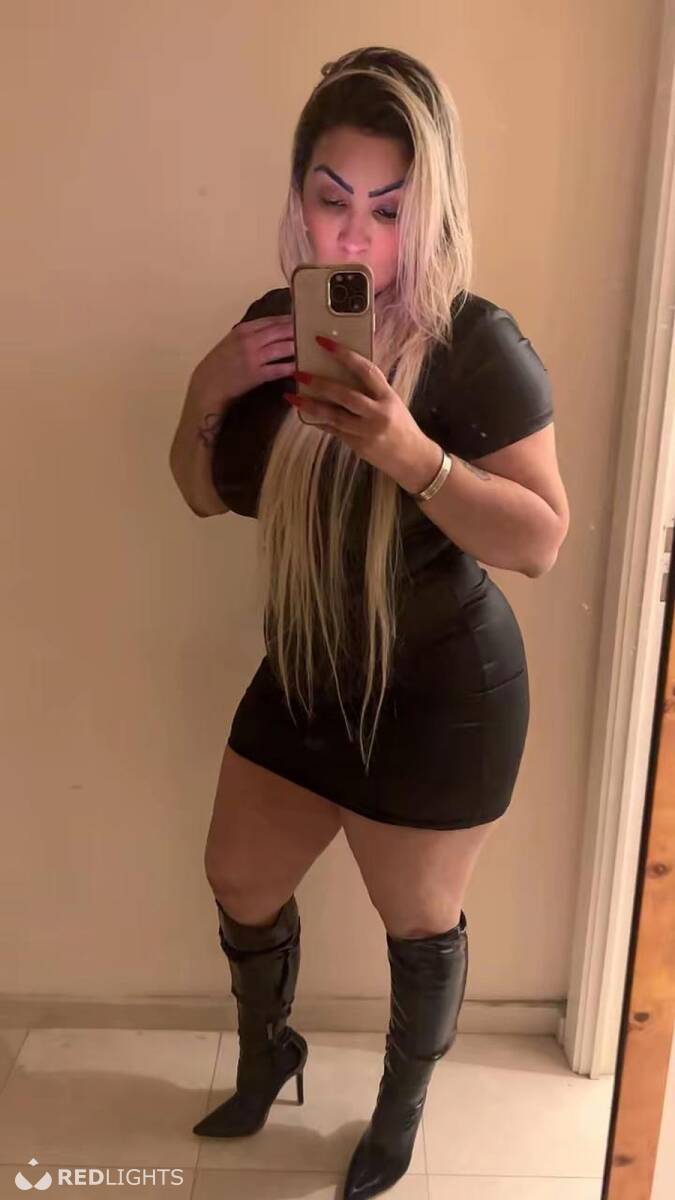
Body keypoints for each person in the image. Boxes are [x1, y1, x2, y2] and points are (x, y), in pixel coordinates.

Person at [169, 45, 570, 1200]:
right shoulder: (272, 332)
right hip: (307, 671)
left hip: (441, 691)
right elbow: (198, 492)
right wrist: (207, 388)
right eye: (332, 199)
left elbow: (540, 540)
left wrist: (411, 453)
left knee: (418, 923)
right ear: (299, 194)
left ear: (428, 212)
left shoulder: (478, 347)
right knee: (238, 875)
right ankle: (269, 1054)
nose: (353, 239)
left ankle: (399, 1112)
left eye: (388, 211)